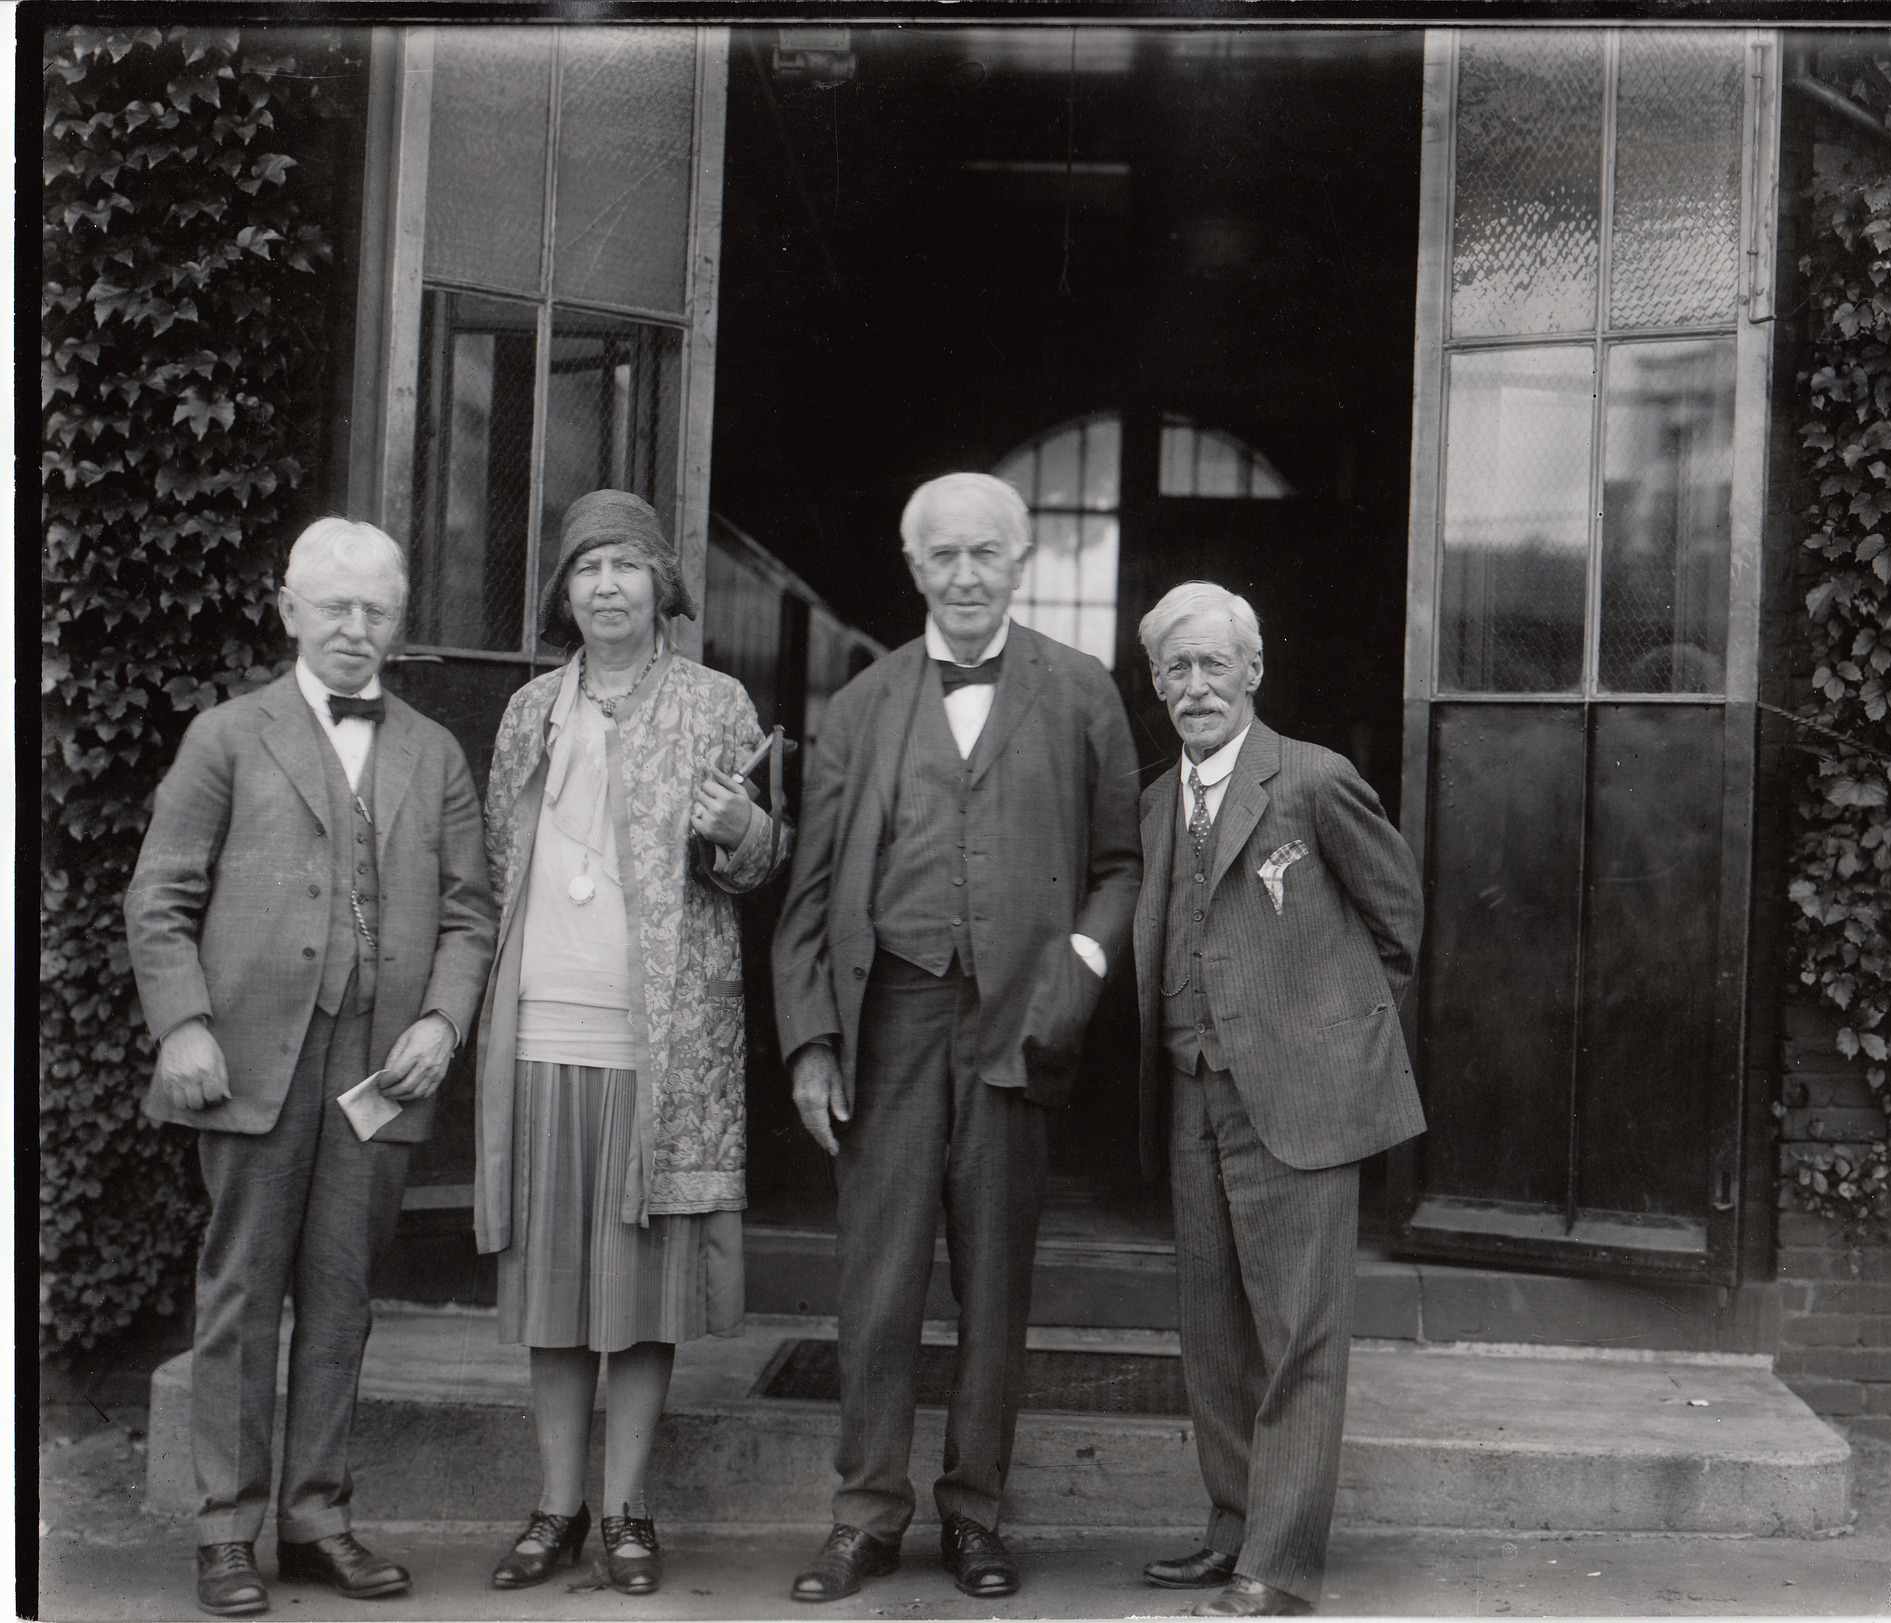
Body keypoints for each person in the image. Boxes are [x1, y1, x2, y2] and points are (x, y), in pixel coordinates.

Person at [772, 473, 1142, 1603]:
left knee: (994, 1277)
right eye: (946, 558)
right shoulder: (863, 702)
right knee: (877, 1281)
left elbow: (1121, 866)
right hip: (889, 1018)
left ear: (1020, 561)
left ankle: (976, 1511)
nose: (967, 575)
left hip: (1018, 1024)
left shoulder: (1081, 693)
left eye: (987, 554)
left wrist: (1076, 974)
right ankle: (865, 1514)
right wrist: (810, 1043)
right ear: (914, 568)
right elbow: (812, 886)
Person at [124, 519, 498, 1617]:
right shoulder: (227, 737)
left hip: (382, 1064)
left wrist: (441, 1020)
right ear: (287, 608)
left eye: (375, 608)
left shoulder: (434, 751)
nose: (354, 627)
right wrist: (184, 1024)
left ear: (398, 617)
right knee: (241, 1292)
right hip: (249, 1055)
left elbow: (472, 913)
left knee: (341, 1296)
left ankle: (317, 1518)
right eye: (333, 605)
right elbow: (160, 897)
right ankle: (225, 1533)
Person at [473, 490, 791, 1597]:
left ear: (664, 584)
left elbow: (760, 865)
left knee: (643, 1292)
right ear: (564, 594)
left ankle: (626, 1512)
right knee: (555, 1283)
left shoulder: (716, 704)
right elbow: (495, 874)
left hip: (662, 1041)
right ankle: (556, 1506)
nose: (605, 586)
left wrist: (741, 830)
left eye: (625, 566)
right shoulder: (528, 714)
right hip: (542, 1027)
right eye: (585, 569)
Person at [1131, 582, 1426, 1618]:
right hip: (1191, 1096)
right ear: (1157, 681)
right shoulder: (1155, 799)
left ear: (1253, 672)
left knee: (1298, 1332)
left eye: (1216, 665)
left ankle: (1282, 1563)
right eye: (1178, 668)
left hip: (1300, 1099)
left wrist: (1326, 1044)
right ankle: (1231, 1528)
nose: (1196, 686)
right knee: (1210, 1329)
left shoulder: (1312, 781)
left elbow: (1397, 924)